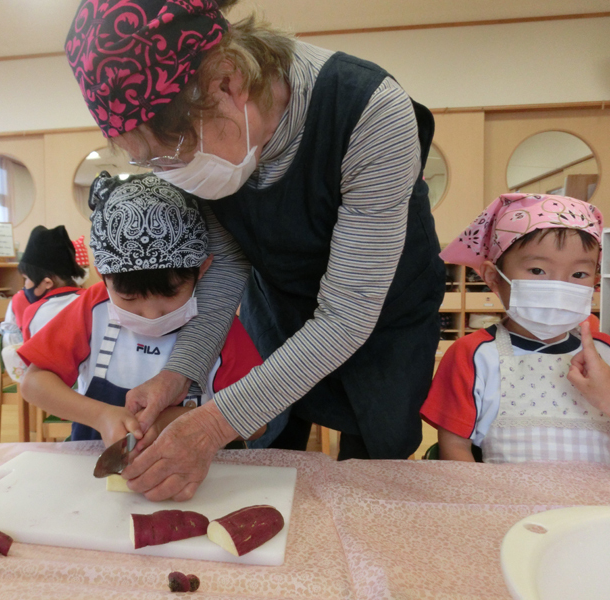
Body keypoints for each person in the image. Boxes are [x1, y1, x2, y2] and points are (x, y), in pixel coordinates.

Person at [65, 0, 445, 500]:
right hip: (283, 306)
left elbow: (347, 315)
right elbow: (227, 271)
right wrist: (180, 374)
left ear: (228, 82)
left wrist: (209, 426)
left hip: (381, 320)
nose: (169, 171)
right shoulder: (218, 139)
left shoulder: (370, 113)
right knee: (269, 458)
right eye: (148, 160)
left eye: (171, 150)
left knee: (373, 474)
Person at [18, 172, 264, 447]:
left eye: (170, 295)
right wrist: (102, 416)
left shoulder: (214, 319)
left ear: (202, 270)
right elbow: (33, 383)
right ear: (102, 276)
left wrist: (180, 418)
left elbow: (257, 424)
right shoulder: (93, 308)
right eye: (129, 299)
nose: (151, 315)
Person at [421, 193, 610, 463]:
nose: (559, 286)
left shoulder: (606, 352)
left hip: (596, 505)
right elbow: (455, 448)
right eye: (537, 271)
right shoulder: (473, 355)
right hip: (506, 502)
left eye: (578, 274)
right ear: (493, 277)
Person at [0, 225, 85, 382]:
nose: (25, 286)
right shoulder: (89, 299)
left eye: (27, 279)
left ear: (47, 283)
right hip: (88, 385)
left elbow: (32, 357)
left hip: (54, 388)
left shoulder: (35, 311)